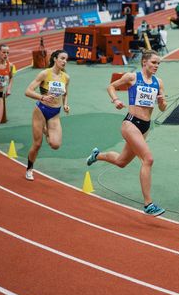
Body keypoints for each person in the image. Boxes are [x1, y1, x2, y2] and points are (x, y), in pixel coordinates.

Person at [86, 49, 167, 216]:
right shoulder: (132, 77)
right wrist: (115, 100)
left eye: (158, 63)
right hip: (130, 123)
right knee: (148, 159)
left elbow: (163, 108)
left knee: (122, 162)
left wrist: (162, 101)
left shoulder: (158, 82)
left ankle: (97, 155)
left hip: (145, 126)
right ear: (144, 62)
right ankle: (148, 204)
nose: (156, 65)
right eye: (154, 62)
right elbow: (111, 86)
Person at [24, 50, 70, 181]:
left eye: (66, 59)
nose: (64, 61)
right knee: (37, 144)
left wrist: (66, 105)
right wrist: (42, 97)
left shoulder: (66, 77)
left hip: (55, 112)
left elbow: (66, 94)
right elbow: (27, 91)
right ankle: (29, 168)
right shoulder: (45, 73)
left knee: (55, 145)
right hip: (41, 110)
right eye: (62, 58)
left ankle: (46, 131)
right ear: (55, 59)